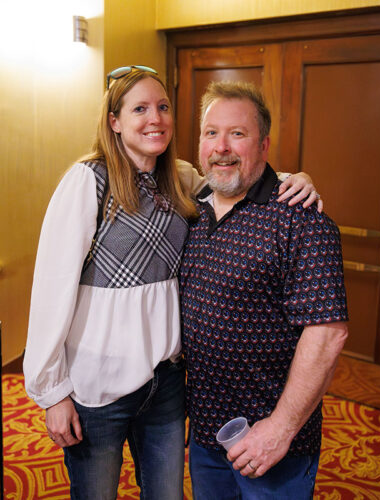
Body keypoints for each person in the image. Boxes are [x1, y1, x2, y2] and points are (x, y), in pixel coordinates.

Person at [23, 65, 322, 500]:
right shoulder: (88, 181)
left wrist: (296, 179)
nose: (155, 118)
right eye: (139, 108)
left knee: (166, 494)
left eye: (163, 107)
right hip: (97, 385)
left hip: (164, 385)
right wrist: (51, 392)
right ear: (114, 121)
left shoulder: (179, 178)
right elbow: (51, 290)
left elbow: (235, 178)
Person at [179, 80, 349, 500]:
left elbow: (327, 334)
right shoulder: (190, 211)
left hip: (275, 444)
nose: (221, 146)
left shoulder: (300, 219)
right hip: (206, 434)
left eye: (237, 134)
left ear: (264, 145)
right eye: (211, 133)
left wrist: (280, 429)